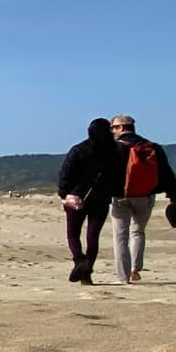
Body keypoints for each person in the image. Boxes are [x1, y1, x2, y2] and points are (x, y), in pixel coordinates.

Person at [107, 114, 176, 284]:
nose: (112, 132)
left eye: (113, 128)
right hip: (145, 196)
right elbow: (167, 173)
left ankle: (123, 277)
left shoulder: (114, 148)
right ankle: (134, 268)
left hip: (120, 197)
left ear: (120, 128)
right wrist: (173, 196)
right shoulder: (151, 147)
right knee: (137, 232)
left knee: (120, 236)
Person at [56, 118, 117, 283]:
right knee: (93, 236)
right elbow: (117, 177)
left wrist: (64, 194)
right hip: (102, 199)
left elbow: (64, 176)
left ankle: (79, 260)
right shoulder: (114, 152)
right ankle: (87, 272)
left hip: (77, 197)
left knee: (73, 234)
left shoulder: (78, 150)